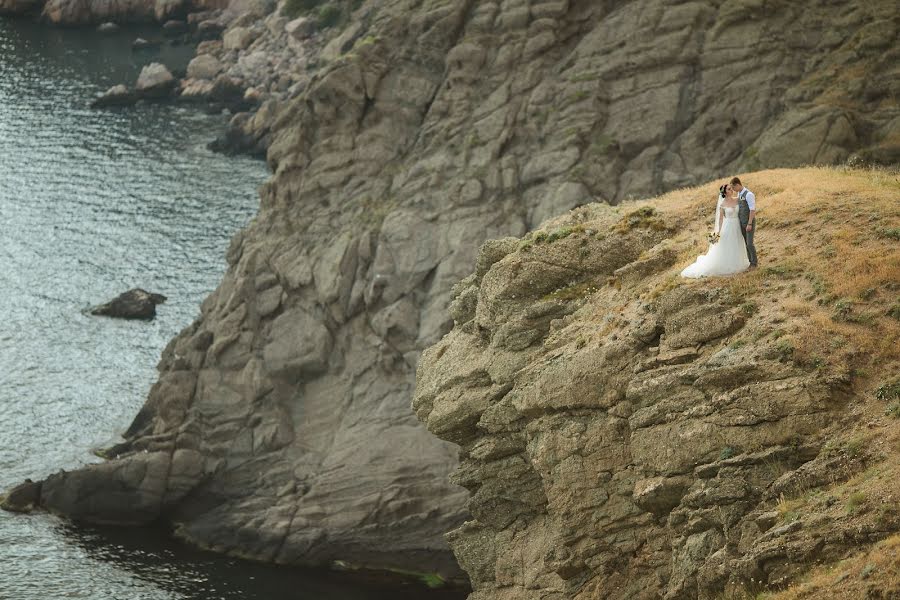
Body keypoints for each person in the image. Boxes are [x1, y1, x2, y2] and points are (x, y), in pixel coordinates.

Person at [680, 183, 750, 278]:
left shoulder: (737, 200)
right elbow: (720, 219)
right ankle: (727, 265)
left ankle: (738, 262)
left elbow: (746, 202)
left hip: (737, 225)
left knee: (737, 243)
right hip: (728, 226)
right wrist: (718, 232)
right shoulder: (723, 204)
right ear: (725, 193)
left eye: (731, 188)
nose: (731, 190)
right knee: (727, 244)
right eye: (729, 189)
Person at [730, 176, 758, 268]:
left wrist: (749, 223)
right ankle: (750, 262)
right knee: (746, 243)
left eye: (733, 187)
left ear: (737, 185)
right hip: (742, 222)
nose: (733, 190)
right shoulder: (739, 194)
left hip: (748, 222)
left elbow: (752, 210)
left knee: (750, 243)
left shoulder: (749, 194)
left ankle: (754, 263)